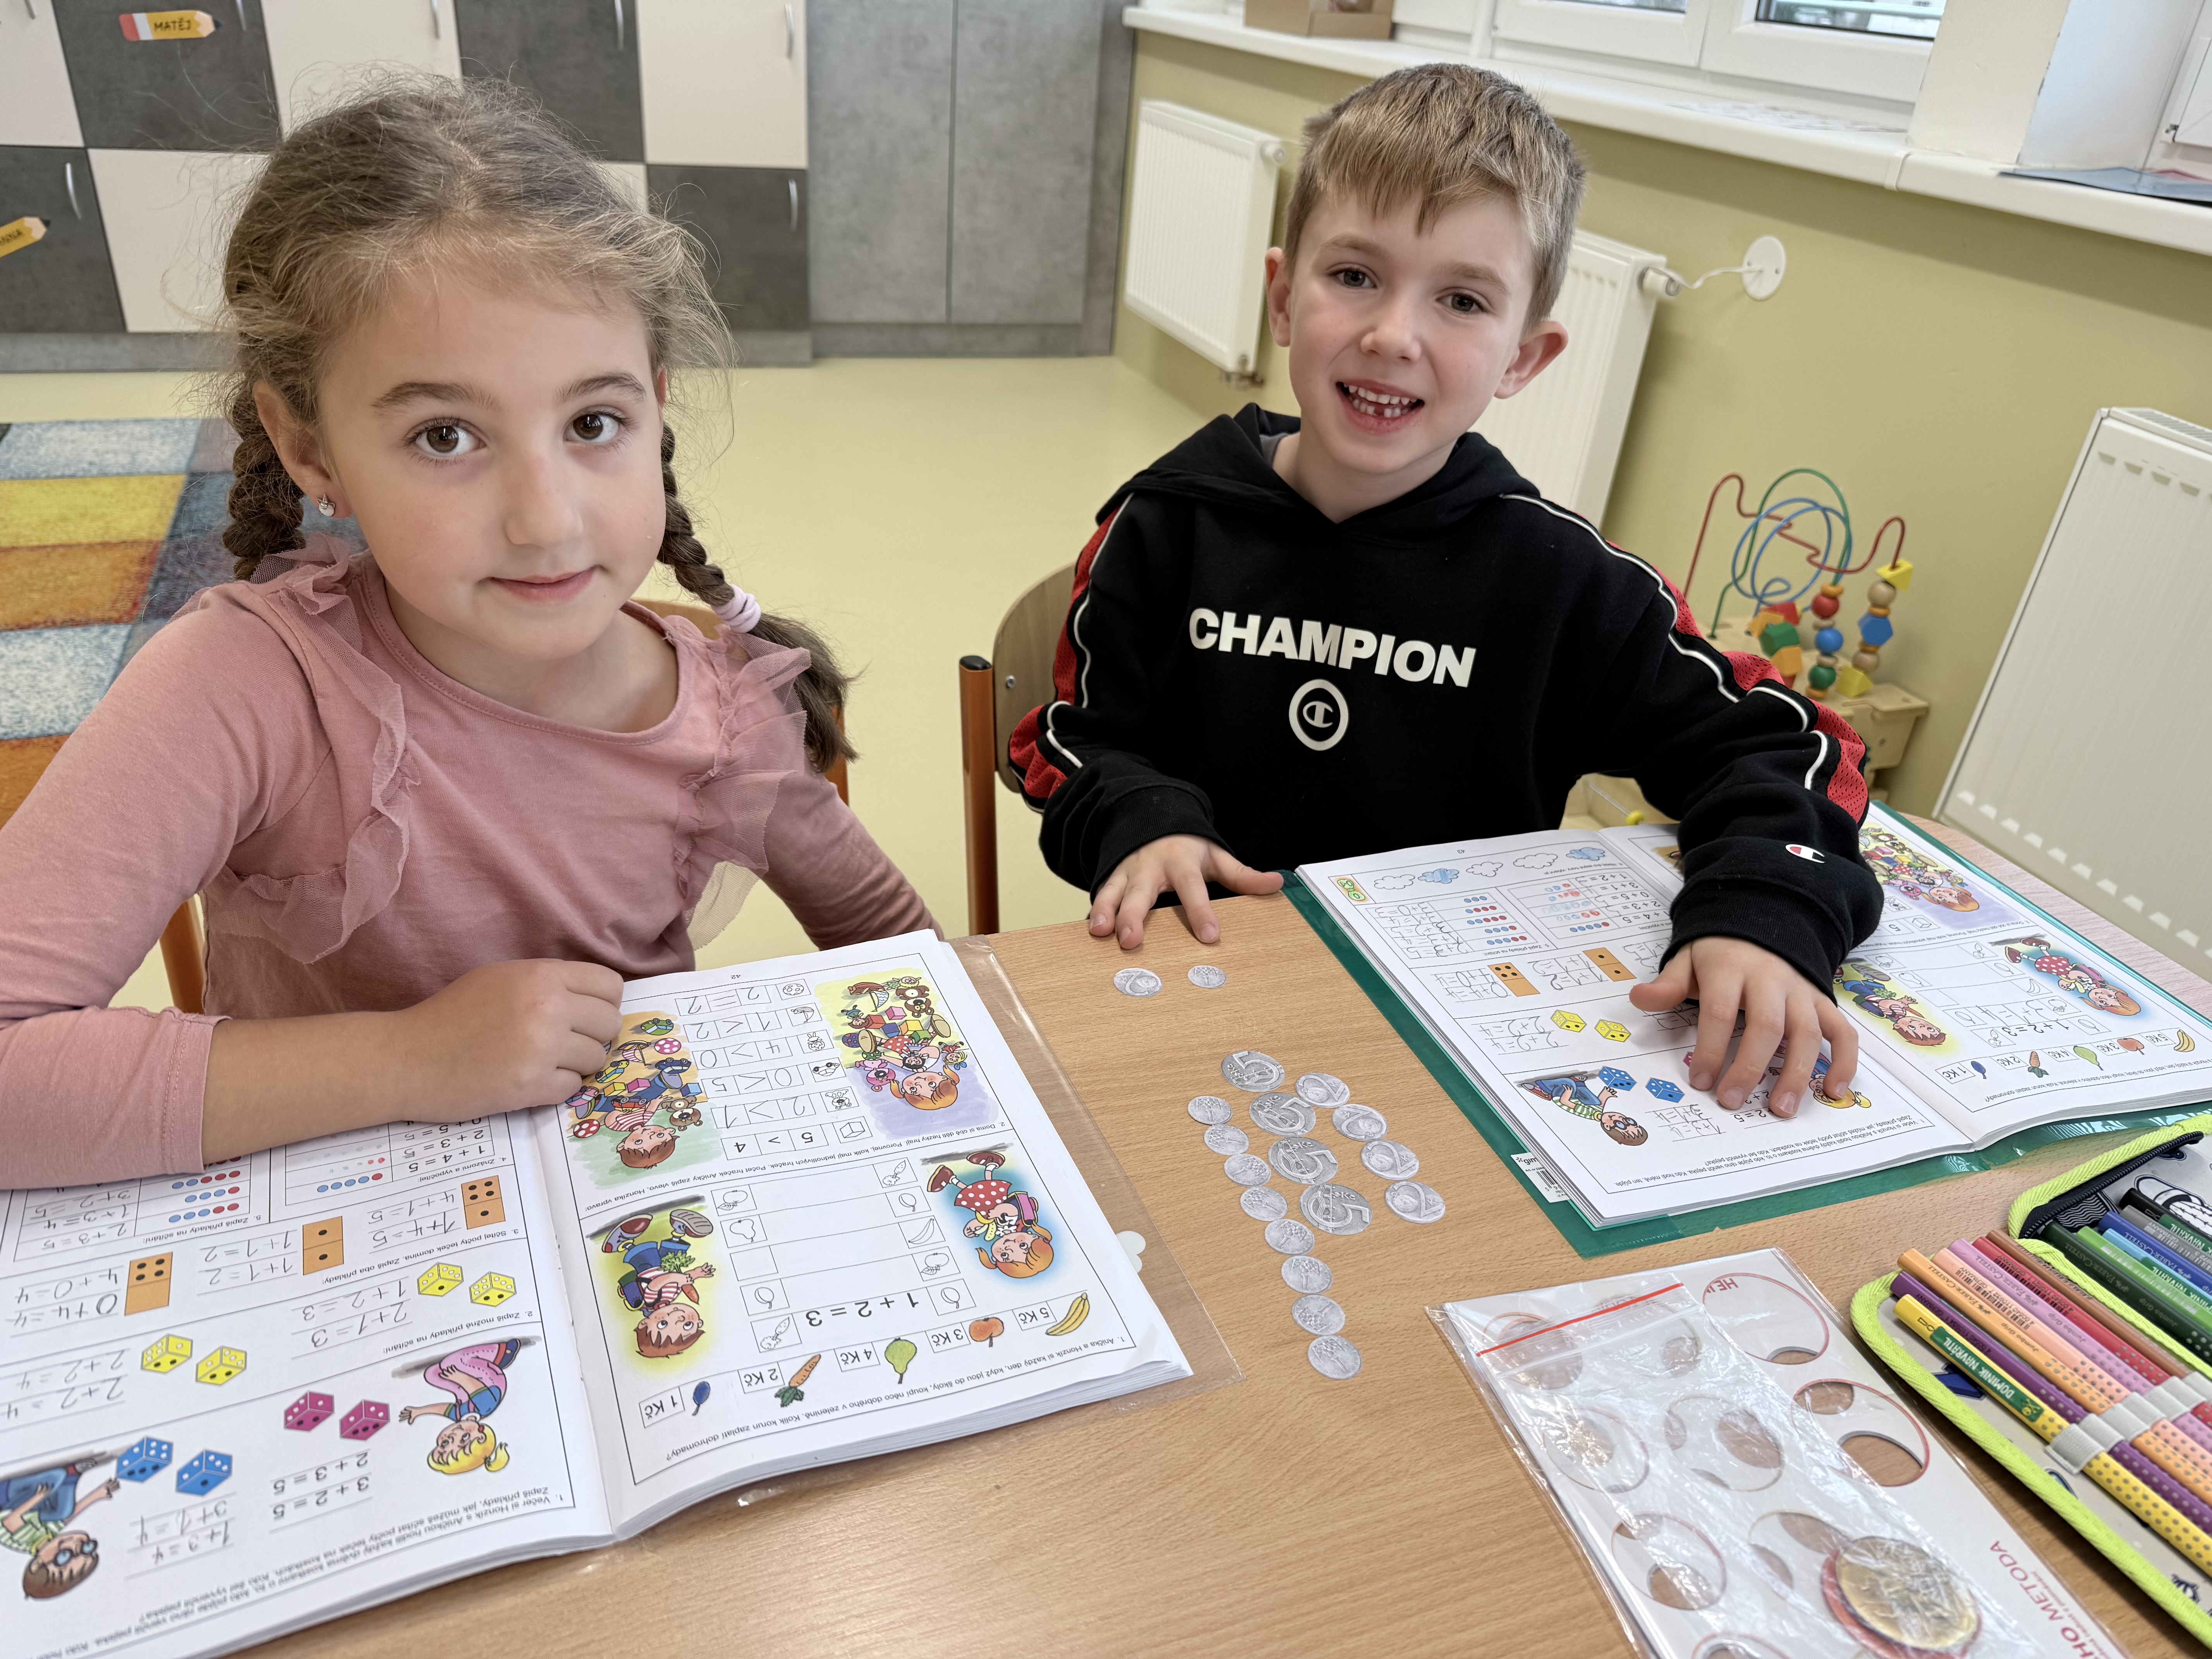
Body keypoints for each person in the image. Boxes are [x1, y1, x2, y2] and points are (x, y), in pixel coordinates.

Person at [0, 77, 933, 1189]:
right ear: (309, 447)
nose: (546, 521)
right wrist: (411, 1058)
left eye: (594, 421)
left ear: (656, 405)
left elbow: (903, 951)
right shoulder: (247, 683)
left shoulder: (730, 712)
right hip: (326, 1229)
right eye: (445, 435)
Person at [1011, 64, 1879, 1120]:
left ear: (1525, 356)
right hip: (1200, 997)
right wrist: (1142, 819)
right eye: (1355, 275)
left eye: (1462, 300)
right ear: (1283, 297)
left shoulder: (1561, 579)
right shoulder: (1163, 528)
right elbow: (1073, 740)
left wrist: (1763, 908)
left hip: (1456, 1040)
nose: (1394, 336)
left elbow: (1785, 743)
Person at [2, 1458, 117, 1599]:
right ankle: (73, 1474)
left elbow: (11, 1520)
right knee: (64, 1513)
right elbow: (69, 1517)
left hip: (5, 1500)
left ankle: (69, 1474)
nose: (76, 1544)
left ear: (37, 1565)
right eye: (86, 1548)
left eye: (64, 1556)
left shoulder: (25, 1541)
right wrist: (97, 1495)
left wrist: (38, 1498)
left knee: (57, 1477)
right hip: (24, 1506)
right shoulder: (47, 1538)